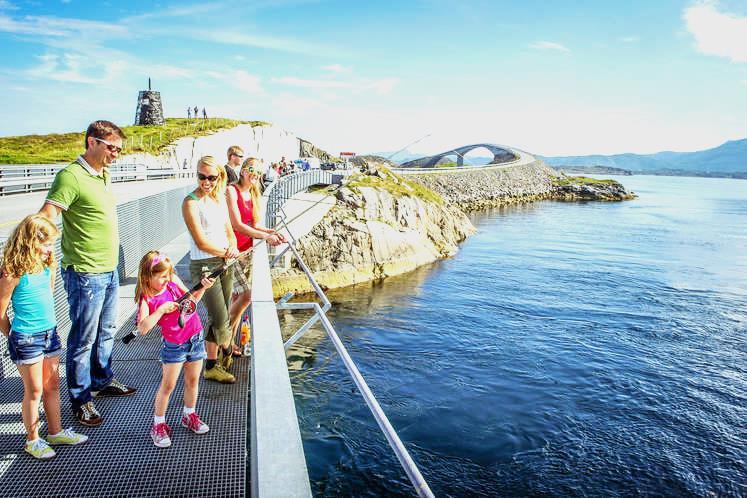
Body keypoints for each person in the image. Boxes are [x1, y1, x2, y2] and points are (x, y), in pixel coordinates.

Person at [39, 120, 136, 428]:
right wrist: (38, 252)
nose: (116, 155)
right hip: (84, 272)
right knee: (83, 338)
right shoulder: (70, 176)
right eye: (111, 148)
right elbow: (48, 216)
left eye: (119, 150)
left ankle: (102, 378)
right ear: (92, 143)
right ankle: (81, 399)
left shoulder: (103, 174)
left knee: (107, 330)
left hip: (107, 270)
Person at [0, 215, 89, 459]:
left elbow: (47, 297)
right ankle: (32, 440)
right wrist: (13, 336)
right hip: (26, 337)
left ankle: (55, 431)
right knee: (34, 390)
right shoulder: (12, 272)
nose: (51, 249)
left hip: (50, 334)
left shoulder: (47, 265)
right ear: (30, 241)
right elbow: (1, 311)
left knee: (53, 385)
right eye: (47, 243)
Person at [132, 251, 214, 448]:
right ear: (147, 277)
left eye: (167, 275)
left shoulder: (173, 281)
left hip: (195, 337)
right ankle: (158, 424)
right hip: (174, 346)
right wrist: (160, 310)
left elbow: (191, 301)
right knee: (168, 386)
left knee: (193, 380)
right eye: (161, 276)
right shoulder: (147, 298)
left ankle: (189, 414)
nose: (166, 279)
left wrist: (202, 287)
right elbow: (142, 328)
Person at [182, 156, 238, 383]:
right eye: (201, 176)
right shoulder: (190, 202)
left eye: (211, 177)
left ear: (219, 177)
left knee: (220, 316)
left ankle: (212, 366)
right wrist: (226, 252)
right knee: (221, 318)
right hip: (206, 266)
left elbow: (229, 230)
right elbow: (200, 241)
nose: (206, 182)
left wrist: (232, 246)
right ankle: (227, 351)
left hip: (225, 263)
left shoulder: (218, 200)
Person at [225, 158, 284, 352]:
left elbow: (255, 225)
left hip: (247, 251)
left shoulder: (253, 192)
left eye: (258, 172)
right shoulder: (231, 191)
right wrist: (265, 238)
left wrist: (271, 232)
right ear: (243, 170)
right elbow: (237, 225)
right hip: (232, 251)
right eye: (252, 170)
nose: (255, 175)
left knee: (237, 298)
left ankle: (229, 342)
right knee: (246, 296)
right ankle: (222, 337)